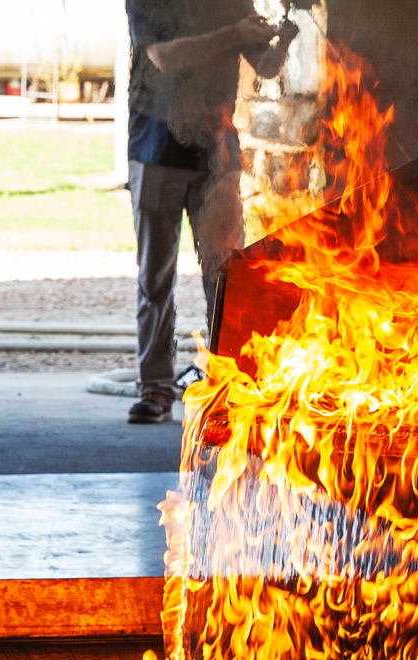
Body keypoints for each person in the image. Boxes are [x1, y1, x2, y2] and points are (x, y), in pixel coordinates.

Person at [124, 0, 298, 423]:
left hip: (215, 151)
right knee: (155, 277)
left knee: (224, 277)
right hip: (156, 146)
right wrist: (235, 33)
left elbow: (267, 67)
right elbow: (164, 56)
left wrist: (286, 36)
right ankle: (156, 389)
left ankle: (227, 385)